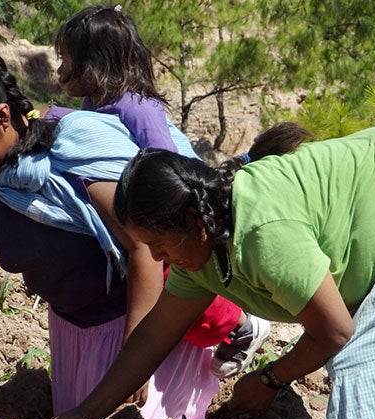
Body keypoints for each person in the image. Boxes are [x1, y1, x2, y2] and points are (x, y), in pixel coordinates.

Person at [56, 122, 375, 419]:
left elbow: (334, 330)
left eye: (158, 244)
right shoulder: (201, 244)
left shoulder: (261, 232)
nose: (157, 258)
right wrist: (83, 415)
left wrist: (270, 380)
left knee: (362, 360)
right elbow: (153, 336)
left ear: (193, 223)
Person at [0, 48, 221, 419]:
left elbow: (144, 249)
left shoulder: (72, 156)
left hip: (143, 323)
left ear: (3, 117)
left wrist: (134, 359)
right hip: (72, 333)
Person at [53, 3, 270, 378]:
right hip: (138, 213)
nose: (59, 70)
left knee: (178, 285)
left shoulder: (136, 106)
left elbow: (166, 162)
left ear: (96, 61)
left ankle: (240, 325)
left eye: (68, 59)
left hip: (162, 213)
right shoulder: (96, 103)